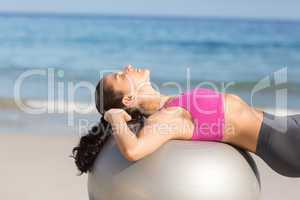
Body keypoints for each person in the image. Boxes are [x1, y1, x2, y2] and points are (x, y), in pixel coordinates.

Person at [72, 64, 300, 177]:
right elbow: (133, 150)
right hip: (284, 142)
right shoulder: (168, 117)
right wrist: (114, 117)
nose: (128, 67)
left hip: (285, 125)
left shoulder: (171, 103)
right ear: (129, 98)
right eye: (122, 75)